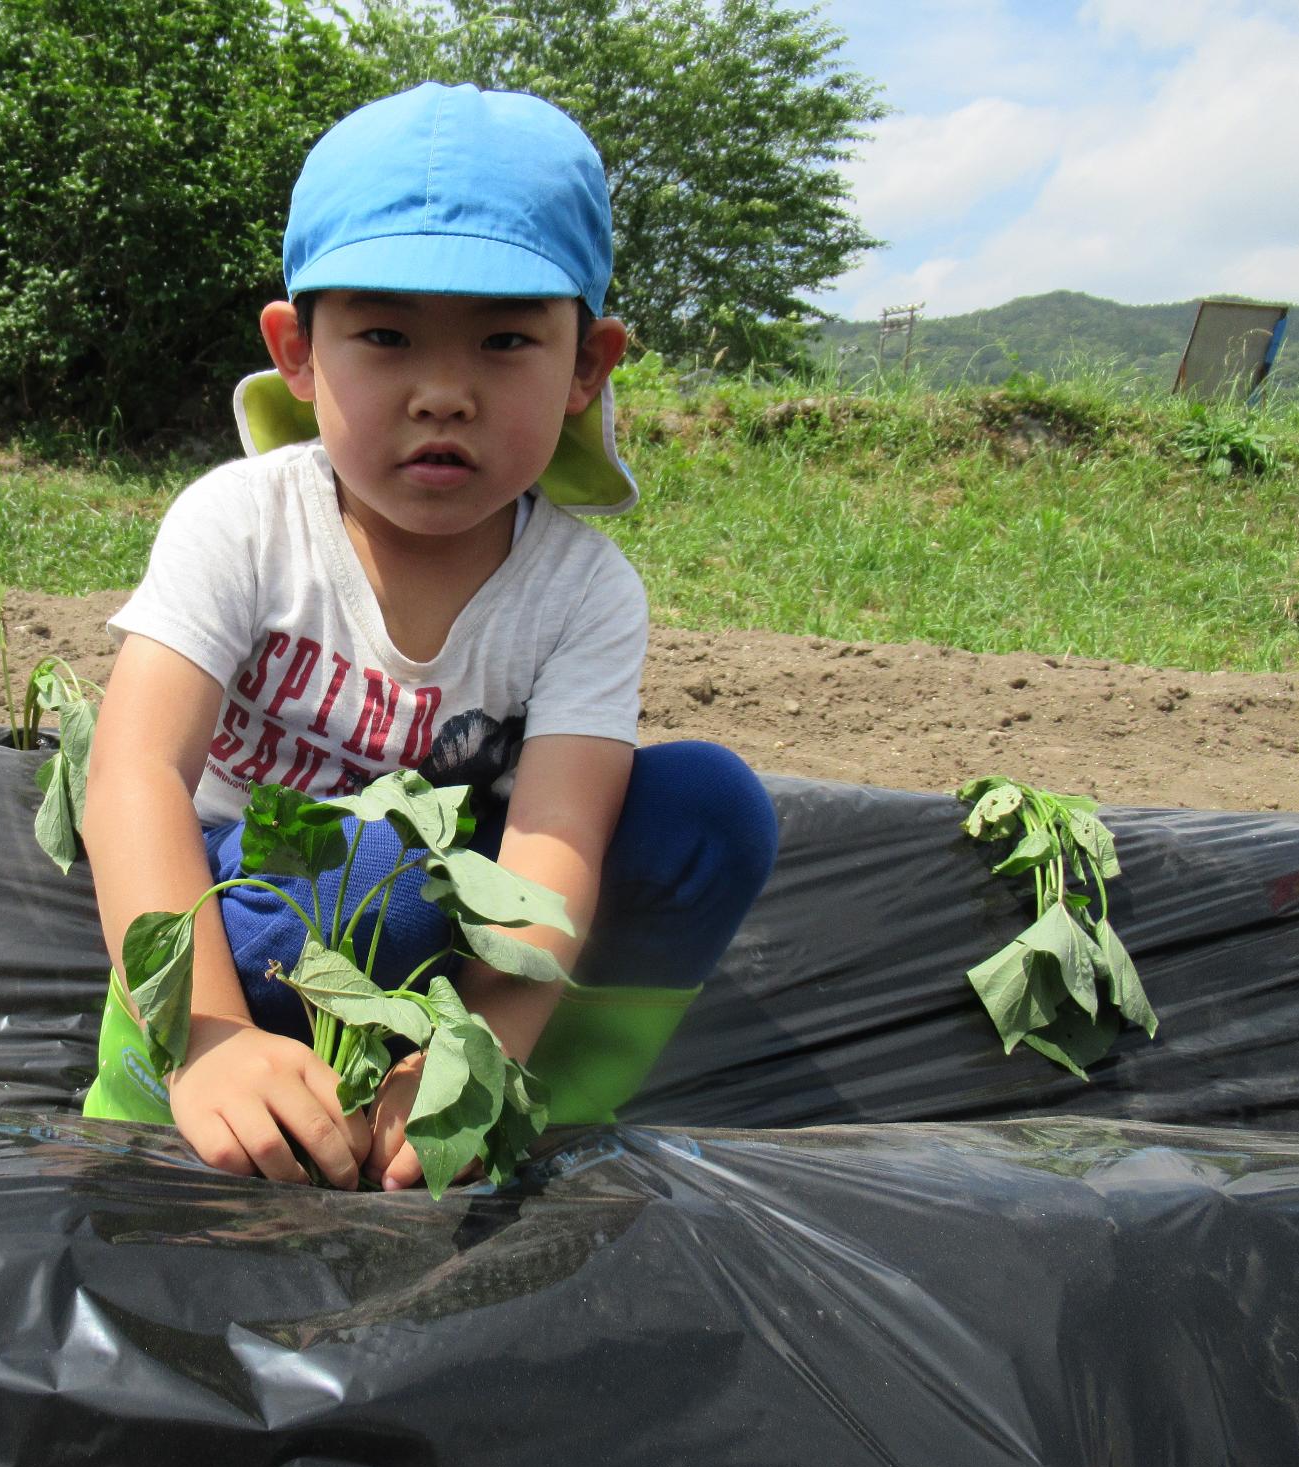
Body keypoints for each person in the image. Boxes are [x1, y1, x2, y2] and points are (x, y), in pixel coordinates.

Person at [81, 82, 778, 1191]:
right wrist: (202, 1035)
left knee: (707, 813)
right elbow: (132, 775)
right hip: (253, 930)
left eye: (504, 341)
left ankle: (512, 1117)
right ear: (299, 352)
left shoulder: (581, 589)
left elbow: (553, 853)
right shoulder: (242, 520)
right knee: (381, 867)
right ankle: (213, 1093)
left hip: (462, 942)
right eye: (386, 337)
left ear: (586, 367)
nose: (442, 392)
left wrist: (483, 1044)